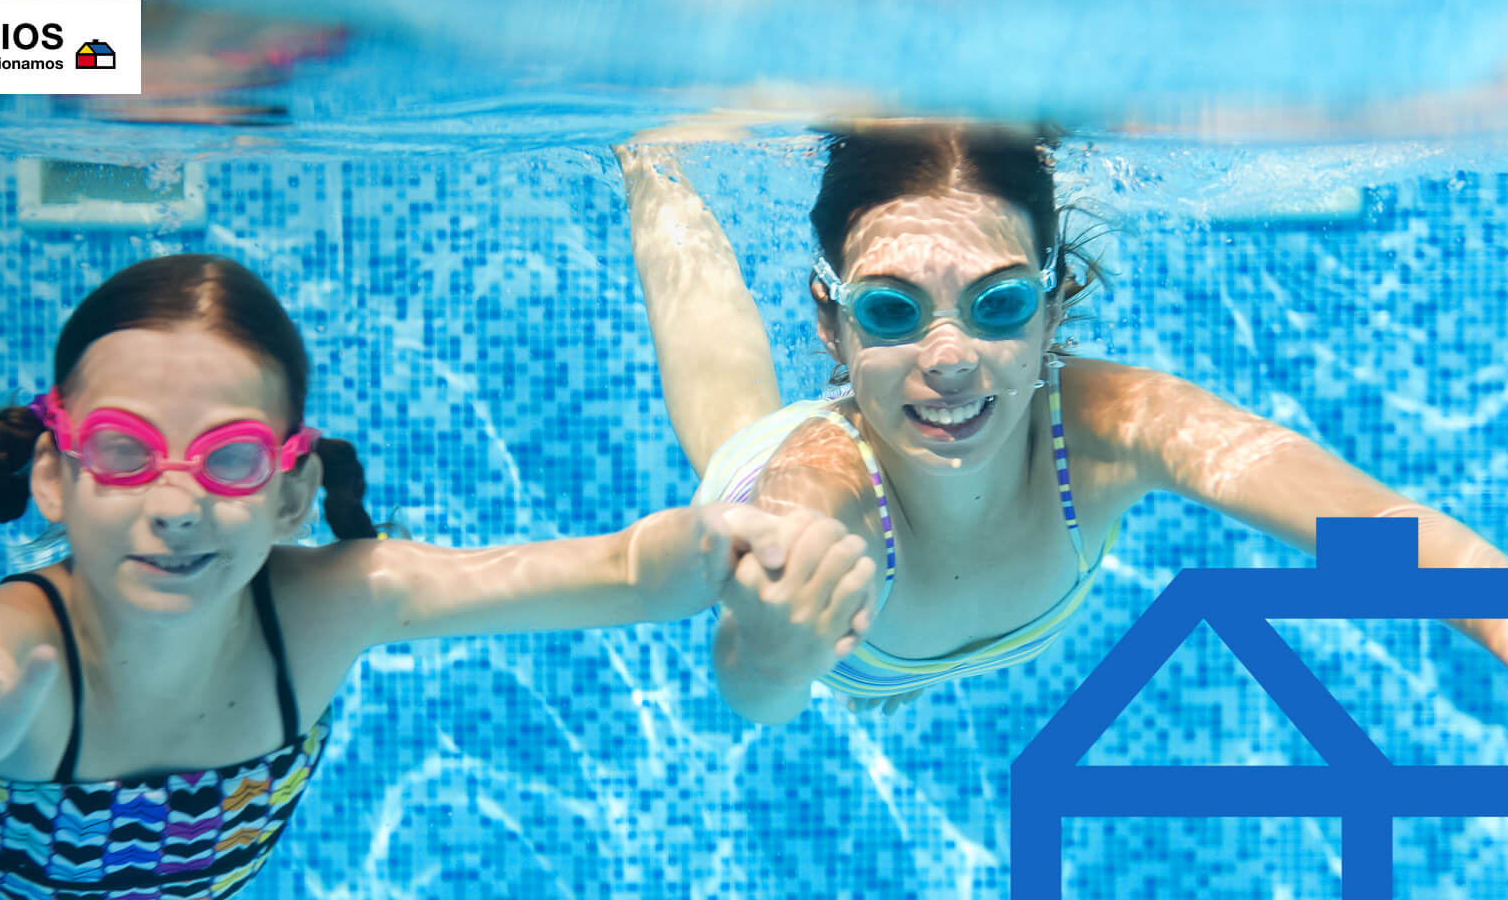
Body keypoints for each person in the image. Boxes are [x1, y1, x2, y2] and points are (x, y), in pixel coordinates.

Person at [0, 253, 861, 900]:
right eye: (124, 450)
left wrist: (726, 543)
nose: (175, 501)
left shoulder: (324, 610)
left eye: (228, 459)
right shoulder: (30, 646)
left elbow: (619, 569)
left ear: (291, 493)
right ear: (53, 474)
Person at [616, 123, 1508, 725]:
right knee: (733, 428)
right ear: (832, 325)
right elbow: (751, 693)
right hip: (810, 504)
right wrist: (778, 652)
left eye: (999, 302)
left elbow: (1370, 525)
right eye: (891, 309)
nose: (950, 357)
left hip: (892, 641)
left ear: (1053, 307)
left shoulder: (1115, 425)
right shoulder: (811, 491)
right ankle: (650, 161)